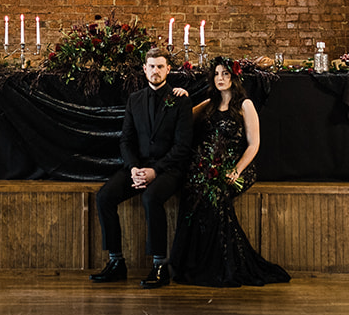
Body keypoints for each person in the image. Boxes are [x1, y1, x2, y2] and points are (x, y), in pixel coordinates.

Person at [169, 56, 291, 287]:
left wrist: (236, 169)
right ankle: (191, 264)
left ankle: (222, 265)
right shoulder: (209, 104)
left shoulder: (245, 104)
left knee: (215, 198)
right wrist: (183, 97)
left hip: (237, 167)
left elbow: (254, 144)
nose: (220, 78)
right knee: (193, 195)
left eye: (225, 74)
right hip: (208, 168)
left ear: (234, 77)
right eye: (216, 74)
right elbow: (184, 118)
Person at [91, 47, 193, 288]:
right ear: (144, 69)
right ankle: (116, 262)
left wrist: (155, 171)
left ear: (168, 69)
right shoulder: (134, 99)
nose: (155, 71)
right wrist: (134, 168)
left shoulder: (180, 100)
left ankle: (160, 266)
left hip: (169, 170)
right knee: (104, 197)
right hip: (138, 168)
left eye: (160, 66)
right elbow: (125, 140)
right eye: (151, 66)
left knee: (151, 198)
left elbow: (183, 146)